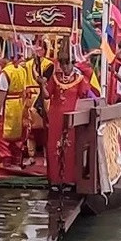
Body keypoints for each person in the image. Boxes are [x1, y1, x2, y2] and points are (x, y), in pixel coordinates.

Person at [41, 55, 90, 186]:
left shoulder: (80, 79)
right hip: (56, 116)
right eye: (62, 64)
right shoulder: (55, 78)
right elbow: (47, 95)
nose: (65, 67)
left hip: (72, 117)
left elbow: (85, 97)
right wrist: (42, 85)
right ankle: (55, 179)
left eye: (67, 64)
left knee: (70, 146)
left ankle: (70, 179)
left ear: (73, 64)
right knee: (54, 146)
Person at [0, 57, 28, 169]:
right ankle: (17, 159)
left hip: (8, 104)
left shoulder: (5, 73)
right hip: (19, 104)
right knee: (18, 134)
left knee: (1, 134)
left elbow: (2, 94)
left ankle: (6, 160)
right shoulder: (22, 70)